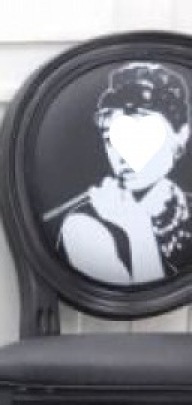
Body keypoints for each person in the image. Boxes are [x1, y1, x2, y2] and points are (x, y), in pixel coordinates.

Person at [44, 61, 192, 285]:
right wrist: (138, 228)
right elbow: (144, 301)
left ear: (181, 137)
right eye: (112, 140)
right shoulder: (83, 225)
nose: (125, 155)